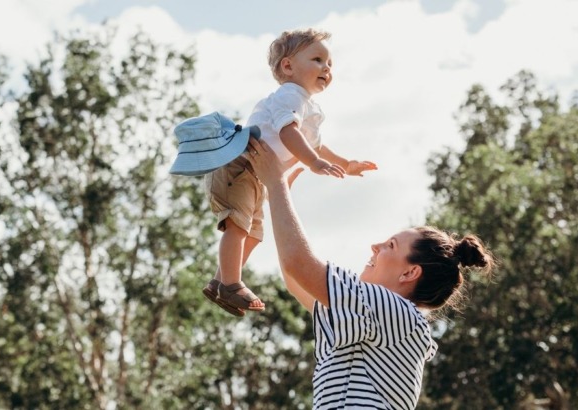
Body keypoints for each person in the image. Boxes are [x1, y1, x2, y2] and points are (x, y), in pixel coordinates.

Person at [244, 136, 495, 409]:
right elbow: (297, 281)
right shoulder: (381, 318)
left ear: (410, 272)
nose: (374, 247)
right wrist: (278, 199)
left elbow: (298, 264)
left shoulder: (396, 311)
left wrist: (276, 183)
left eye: (390, 245)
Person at [202, 28, 377, 317]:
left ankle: (221, 281)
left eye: (330, 64)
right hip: (240, 164)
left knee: (254, 234)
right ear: (288, 66)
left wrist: (347, 164)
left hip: (257, 174)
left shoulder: (309, 106)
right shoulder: (289, 95)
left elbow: (317, 146)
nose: (327, 68)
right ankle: (231, 283)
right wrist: (312, 162)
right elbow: (288, 133)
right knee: (238, 226)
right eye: (318, 59)